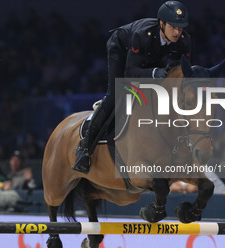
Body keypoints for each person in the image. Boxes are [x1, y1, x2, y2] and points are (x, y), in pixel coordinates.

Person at [73, 1, 191, 173]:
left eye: (181, 28)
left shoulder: (184, 40)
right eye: (173, 27)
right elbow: (130, 72)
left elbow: (185, 72)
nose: (177, 32)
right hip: (121, 49)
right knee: (116, 95)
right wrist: (153, 73)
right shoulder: (143, 34)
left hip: (152, 52)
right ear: (162, 24)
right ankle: (84, 149)